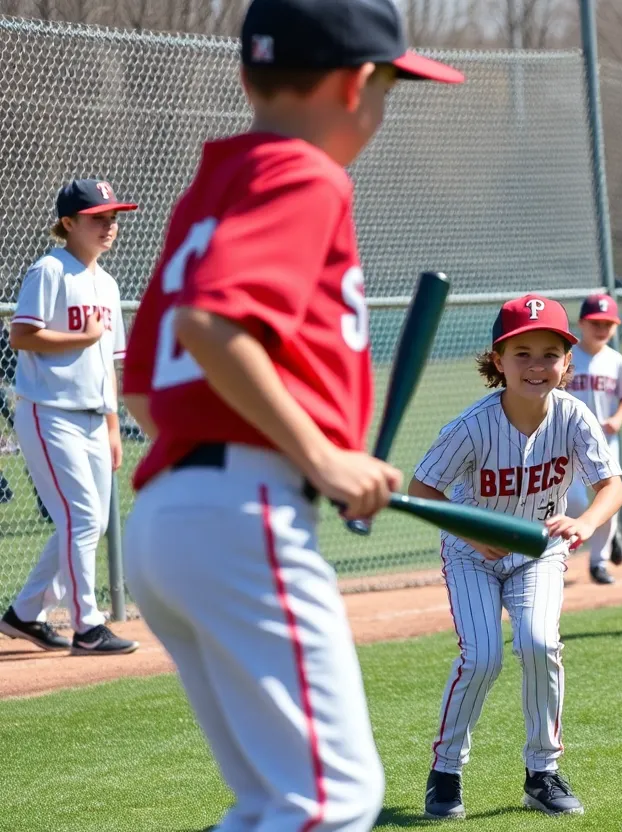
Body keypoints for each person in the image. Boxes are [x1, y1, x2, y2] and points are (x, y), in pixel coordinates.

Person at [118, 1, 464, 829]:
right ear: (354, 85)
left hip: (172, 516)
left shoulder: (215, 186)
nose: (383, 111)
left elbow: (143, 386)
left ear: (247, 74)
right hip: (244, 511)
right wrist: (321, 457)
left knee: (275, 805)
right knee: (334, 801)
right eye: (388, 89)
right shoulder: (307, 173)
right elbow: (211, 326)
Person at [410, 294, 622, 819]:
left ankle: (543, 772)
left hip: (540, 551)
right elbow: (421, 490)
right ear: (498, 360)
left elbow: (611, 487)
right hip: (471, 554)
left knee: (540, 643)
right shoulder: (470, 425)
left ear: (567, 363)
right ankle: (446, 772)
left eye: (549, 353)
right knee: (482, 657)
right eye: (521, 353)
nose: (536, 365)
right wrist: (472, 533)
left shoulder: (575, 417)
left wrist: (585, 522)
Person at [0, 178, 137, 656]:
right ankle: (88, 626)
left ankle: (24, 614)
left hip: (93, 417)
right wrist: (81, 338)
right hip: (48, 412)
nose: (109, 226)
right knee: (81, 518)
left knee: (90, 523)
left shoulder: (108, 283)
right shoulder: (50, 270)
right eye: (98, 218)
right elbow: (21, 335)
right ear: (68, 223)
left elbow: (108, 364)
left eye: (113, 217)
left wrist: (114, 424)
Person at [564, 293, 622, 585]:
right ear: (582, 323)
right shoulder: (568, 357)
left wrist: (618, 418)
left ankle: (598, 562)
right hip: (568, 442)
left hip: (605, 441)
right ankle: (603, 534)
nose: (602, 328)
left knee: (608, 498)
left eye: (609, 323)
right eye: (596, 322)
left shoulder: (616, 360)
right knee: (575, 500)